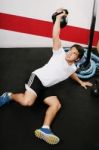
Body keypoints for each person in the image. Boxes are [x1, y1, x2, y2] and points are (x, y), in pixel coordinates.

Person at [0, 8, 92, 145]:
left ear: (77, 59)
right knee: (27, 102)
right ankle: (8, 96)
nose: (69, 54)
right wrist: (59, 18)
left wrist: (80, 82)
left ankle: (45, 129)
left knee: (56, 104)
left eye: (73, 54)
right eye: (70, 51)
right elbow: (56, 35)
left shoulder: (73, 67)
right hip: (37, 78)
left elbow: (70, 73)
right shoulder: (59, 53)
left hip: (46, 86)